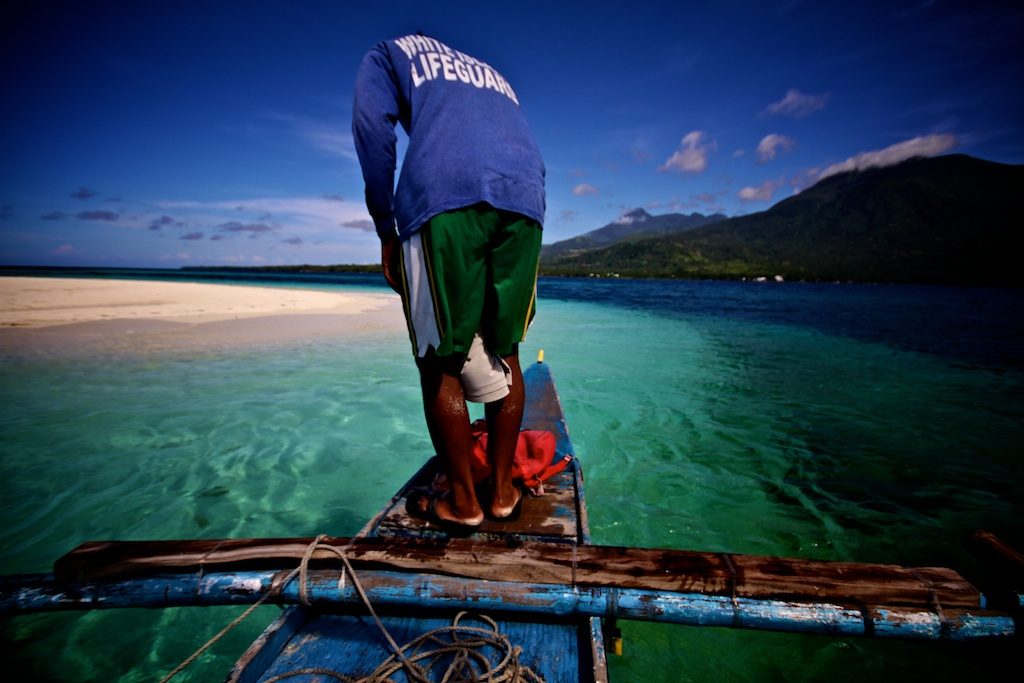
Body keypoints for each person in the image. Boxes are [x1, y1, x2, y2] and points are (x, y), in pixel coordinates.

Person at [352, 33, 545, 529]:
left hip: (443, 194)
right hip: (525, 198)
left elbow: (372, 126)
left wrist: (385, 228)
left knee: (439, 359)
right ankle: (502, 494)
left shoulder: (388, 52)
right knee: (509, 350)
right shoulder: (495, 76)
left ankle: (464, 504)